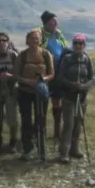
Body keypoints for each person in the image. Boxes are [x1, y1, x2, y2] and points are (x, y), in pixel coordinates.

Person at [13, 28, 55, 160]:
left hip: (41, 92)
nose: (34, 40)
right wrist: (28, 81)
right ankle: (27, 148)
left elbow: (52, 73)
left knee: (40, 119)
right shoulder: (22, 55)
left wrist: (43, 80)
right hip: (25, 91)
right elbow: (16, 74)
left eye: (36, 38)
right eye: (31, 38)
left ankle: (41, 147)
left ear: (40, 40)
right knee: (26, 119)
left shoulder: (46, 54)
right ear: (27, 40)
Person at [56, 33, 95, 163]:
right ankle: (64, 153)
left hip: (82, 96)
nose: (78, 45)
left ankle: (75, 149)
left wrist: (83, 86)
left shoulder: (86, 59)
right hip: (69, 96)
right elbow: (60, 77)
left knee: (78, 124)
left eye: (81, 43)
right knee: (68, 124)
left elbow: (91, 78)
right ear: (73, 44)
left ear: (84, 45)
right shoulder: (67, 59)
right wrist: (71, 84)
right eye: (76, 43)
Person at [40, 10, 70, 147]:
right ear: (46, 23)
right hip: (45, 73)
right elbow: (37, 49)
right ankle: (42, 130)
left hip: (59, 73)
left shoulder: (59, 35)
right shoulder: (40, 35)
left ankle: (57, 132)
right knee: (43, 102)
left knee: (57, 102)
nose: (55, 23)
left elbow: (65, 48)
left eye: (56, 21)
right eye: (53, 21)